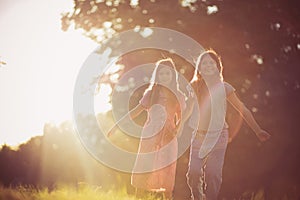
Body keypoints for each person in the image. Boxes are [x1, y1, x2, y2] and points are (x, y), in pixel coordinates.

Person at [185, 49, 271, 200]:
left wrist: (258, 130)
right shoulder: (195, 86)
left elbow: (242, 109)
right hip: (199, 137)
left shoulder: (224, 87)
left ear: (218, 67)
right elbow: (187, 108)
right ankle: (198, 197)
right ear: (199, 68)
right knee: (194, 172)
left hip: (219, 137)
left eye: (211, 63)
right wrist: (177, 125)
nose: (208, 65)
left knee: (213, 174)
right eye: (204, 63)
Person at [108, 58, 186, 200]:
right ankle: (139, 197)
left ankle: (167, 197)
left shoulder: (178, 96)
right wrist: (117, 125)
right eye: (161, 74)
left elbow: (182, 117)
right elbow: (136, 111)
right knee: (144, 167)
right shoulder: (151, 94)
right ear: (157, 76)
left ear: (173, 76)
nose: (165, 77)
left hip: (168, 136)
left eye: (168, 74)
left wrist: (177, 129)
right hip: (150, 134)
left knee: (167, 169)